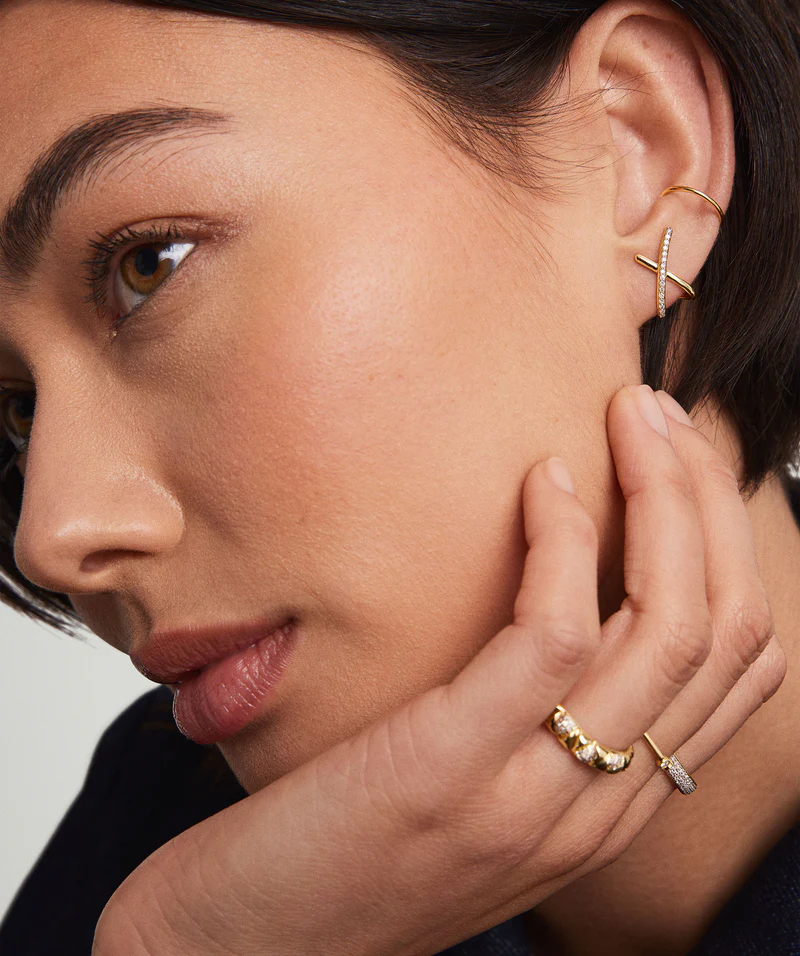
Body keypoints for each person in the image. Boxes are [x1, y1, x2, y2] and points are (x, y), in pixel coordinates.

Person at [0, 0, 798, 953]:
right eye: (17, 407)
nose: (51, 533)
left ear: (637, 154)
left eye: (148, 264)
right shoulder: (170, 855)